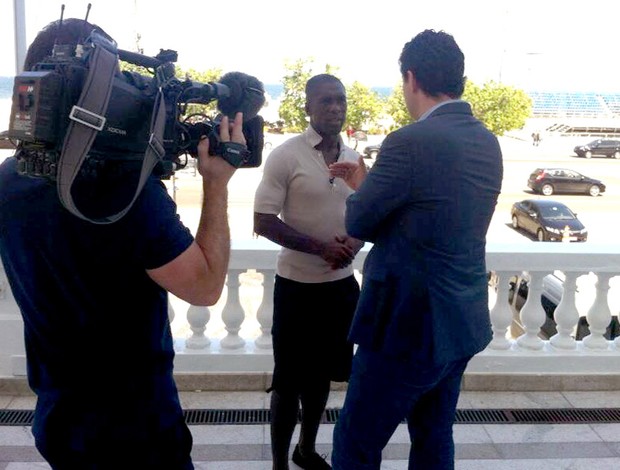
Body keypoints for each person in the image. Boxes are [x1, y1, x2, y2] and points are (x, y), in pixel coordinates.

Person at [0, 18, 246, 470]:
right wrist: (217, 184)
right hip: (136, 430)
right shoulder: (125, 196)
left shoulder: (8, 183)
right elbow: (206, 287)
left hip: (58, 420)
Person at [329, 29, 503, 469]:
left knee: (356, 443)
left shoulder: (408, 142)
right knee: (433, 435)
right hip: (460, 321)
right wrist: (369, 185)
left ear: (410, 78)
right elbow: (434, 216)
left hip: (406, 327)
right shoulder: (487, 141)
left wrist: (359, 191)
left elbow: (359, 222)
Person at [253, 74, 363, 470]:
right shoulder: (286, 155)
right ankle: (279, 463)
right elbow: (263, 221)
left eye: (341, 100)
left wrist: (355, 243)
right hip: (297, 289)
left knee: (323, 378)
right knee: (287, 383)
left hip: (340, 287)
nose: (335, 107)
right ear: (308, 107)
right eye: (326, 101)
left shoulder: (353, 158)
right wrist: (320, 247)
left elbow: (364, 213)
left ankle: (306, 450)